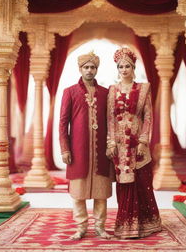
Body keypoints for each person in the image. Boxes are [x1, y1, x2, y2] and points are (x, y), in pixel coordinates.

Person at [106, 48, 162, 239]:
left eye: (127, 66)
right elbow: (110, 119)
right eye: (120, 66)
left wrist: (143, 141)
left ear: (133, 67)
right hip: (121, 147)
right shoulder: (112, 90)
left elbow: (148, 116)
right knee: (124, 184)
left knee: (142, 182)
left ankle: (146, 223)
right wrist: (111, 142)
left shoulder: (143, 88)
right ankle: (126, 224)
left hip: (138, 143)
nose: (123, 69)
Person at [59, 51, 113, 240]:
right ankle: (81, 227)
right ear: (80, 69)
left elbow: (111, 122)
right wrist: (65, 148)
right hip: (78, 150)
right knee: (78, 192)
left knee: (101, 192)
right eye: (86, 67)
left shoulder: (106, 93)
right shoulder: (70, 92)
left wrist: (111, 144)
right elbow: (62, 122)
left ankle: (100, 227)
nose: (89, 70)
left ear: (97, 69)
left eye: (93, 67)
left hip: (101, 151)